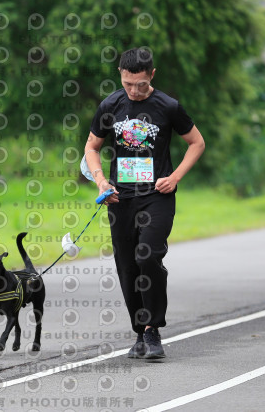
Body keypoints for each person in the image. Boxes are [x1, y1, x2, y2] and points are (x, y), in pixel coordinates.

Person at [84, 47, 205, 359]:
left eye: (140, 84)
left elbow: (196, 142)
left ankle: (153, 331)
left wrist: (175, 176)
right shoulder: (111, 104)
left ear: (152, 75)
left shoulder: (168, 106)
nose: (134, 91)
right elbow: (92, 147)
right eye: (127, 84)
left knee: (147, 255)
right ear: (121, 77)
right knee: (127, 266)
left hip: (157, 196)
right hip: (120, 197)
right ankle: (140, 332)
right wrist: (101, 180)